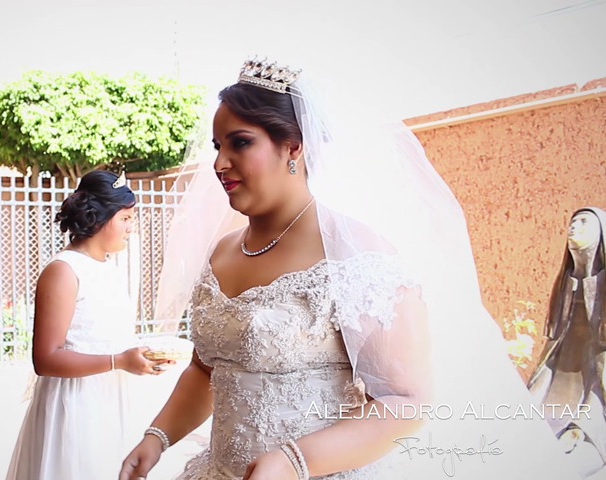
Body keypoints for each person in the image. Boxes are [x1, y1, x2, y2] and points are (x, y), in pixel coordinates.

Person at [119, 58, 580, 480]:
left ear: (292, 146)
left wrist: (292, 461)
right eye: (219, 145)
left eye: (240, 143)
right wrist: (157, 437)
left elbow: (405, 402)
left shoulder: (357, 253)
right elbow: (205, 369)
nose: (220, 163)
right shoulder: (222, 251)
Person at [6, 170, 173, 480]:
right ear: (99, 218)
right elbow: (45, 358)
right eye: (125, 218)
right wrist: (119, 361)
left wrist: (140, 356)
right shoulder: (64, 270)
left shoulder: (108, 268)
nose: (130, 227)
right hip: (74, 405)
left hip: (108, 399)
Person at [529, 207, 606, 477]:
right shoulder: (567, 283)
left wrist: (581, 425)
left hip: (592, 388)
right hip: (561, 376)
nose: (573, 227)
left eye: (584, 222)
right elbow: (555, 344)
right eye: (572, 222)